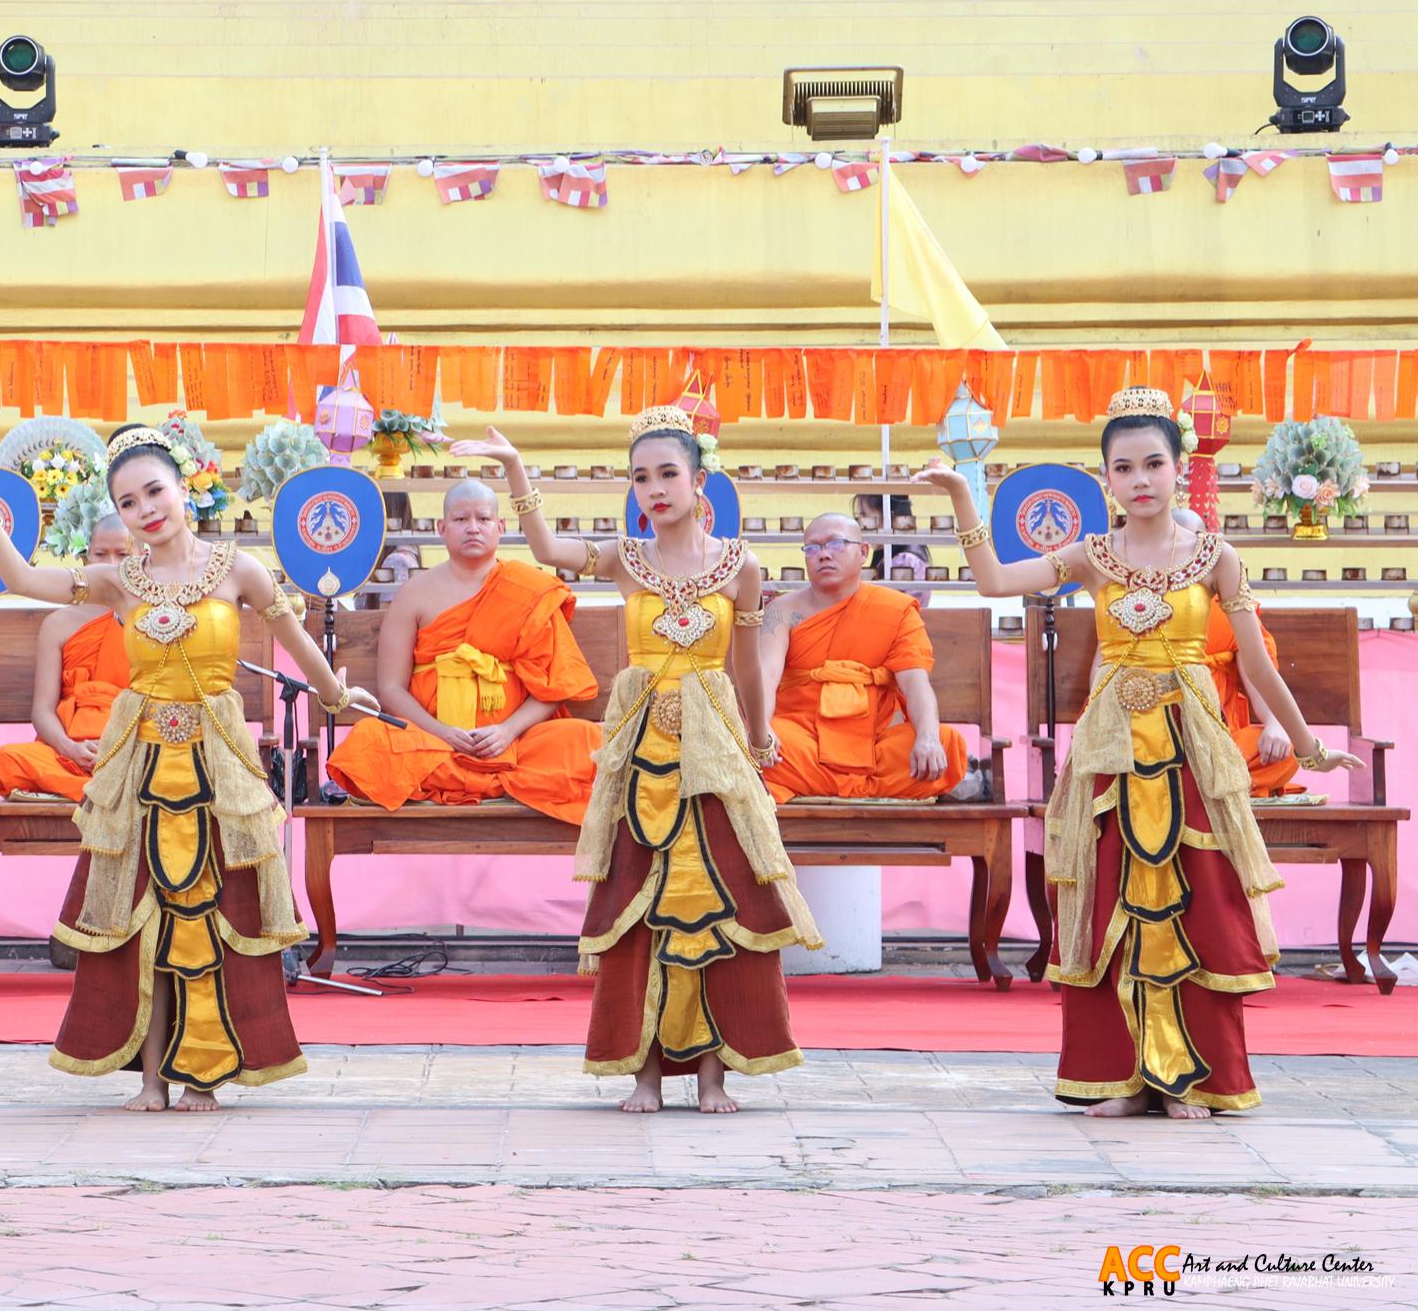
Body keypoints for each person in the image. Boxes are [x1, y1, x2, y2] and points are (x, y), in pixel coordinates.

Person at [0, 425, 383, 1112]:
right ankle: (153, 1079)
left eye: (154, 492)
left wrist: (339, 694)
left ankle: (204, 1073)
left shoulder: (240, 570)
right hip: (140, 759)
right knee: (147, 913)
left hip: (216, 761)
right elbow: (20, 578)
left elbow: (296, 638)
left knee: (212, 911)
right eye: (128, 503)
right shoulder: (115, 579)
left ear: (184, 488)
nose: (146, 510)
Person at [921, 386, 1358, 1117]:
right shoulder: (1093, 555)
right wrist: (965, 497)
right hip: (1112, 755)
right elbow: (994, 582)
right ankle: (1122, 1078)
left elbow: (1256, 666)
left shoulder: (1218, 557)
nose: (1142, 479)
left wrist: (1310, 747)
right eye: (1125, 468)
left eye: (1154, 463)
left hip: (1191, 752)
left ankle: (1189, 1080)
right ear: (1107, 482)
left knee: (1197, 907)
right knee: (1109, 903)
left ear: (1180, 469)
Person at [457, 413, 819, 1114]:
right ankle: (643, 1073)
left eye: (667, 474)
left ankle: (714, 1074)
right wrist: (513, 470)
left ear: (699, 480)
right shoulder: (626, 557)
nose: (654, 488)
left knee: (715, 898)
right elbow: (546, 547)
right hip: (641, 744)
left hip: (713, 744)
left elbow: (747, 661)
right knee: (640, 900)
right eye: (641, 477)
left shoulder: (740, 564)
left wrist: (761, 734)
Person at [325, 479, 604, 822]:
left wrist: (506, 731)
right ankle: (492, 779)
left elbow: (554, 687)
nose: (473, 528)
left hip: (515, 743)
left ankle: (482, 776)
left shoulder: (528, 589)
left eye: (483, 519)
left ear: (500, 527)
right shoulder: (414, 593)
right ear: (442, 528)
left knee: (589, 740)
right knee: (368, 741)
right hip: (434, 742)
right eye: (460, 520)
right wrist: (441, 732)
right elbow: (392, 688)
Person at [753, 513, 969, 805]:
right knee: (749, 742)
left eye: (836, 544)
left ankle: (823, 787)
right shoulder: (781, 611)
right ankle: (860, 788)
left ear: (864, 552)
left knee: (947, 743)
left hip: (871, 746)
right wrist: (761, 727)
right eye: (812, 548)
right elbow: (766, 674)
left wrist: (927, 737)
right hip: (804, 740)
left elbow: (916, 683)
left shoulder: (896, 610)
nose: (824, 555)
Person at [0, 518, 135, 803]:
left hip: (132, 753)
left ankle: (98, 792)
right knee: (3, 763)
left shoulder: (152, 619)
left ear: (141, 555)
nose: (110, 564)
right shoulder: (58, 624)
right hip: (69, 756)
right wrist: (68, 748)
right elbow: (42, 711)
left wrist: (122, 749)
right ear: (86, 556)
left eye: (122, 554)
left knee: (167, 771)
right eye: (101, 554)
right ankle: (106, 795)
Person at [1171, 509, 1298, 798]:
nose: (1183, 557)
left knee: (1285, 752)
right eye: (1174, 545)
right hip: (1158, 733)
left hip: (1222, 744)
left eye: (1193, 545)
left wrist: (1276, 724)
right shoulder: (1140, 599)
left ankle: (1195, 788)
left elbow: (1259, 675)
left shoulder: (1230, 603)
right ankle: (1205, 788)